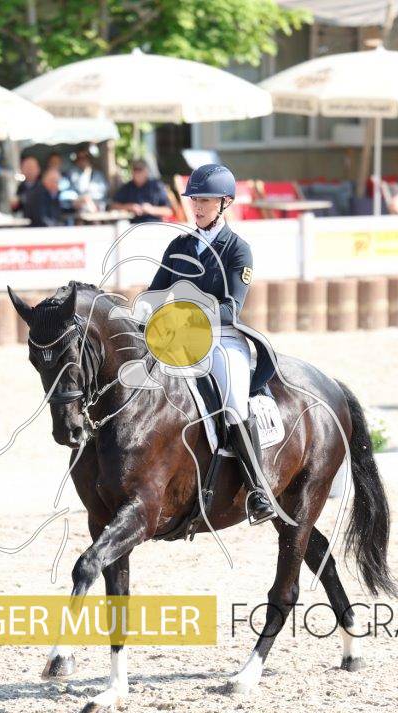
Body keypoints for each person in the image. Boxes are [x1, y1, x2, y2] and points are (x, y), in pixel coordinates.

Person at [147, 164, 278, 525]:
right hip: (180, 340)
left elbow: (230, 308)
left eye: (205, 200)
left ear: (225, 203)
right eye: (194, 199)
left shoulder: (238, 250)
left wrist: (186, 311)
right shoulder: (179, 246)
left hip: (222, 340)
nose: (197, 206)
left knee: (233, 405)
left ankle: (257, 491)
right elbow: (155, 293)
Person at [59, 144, 110, 214]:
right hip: (78, 205)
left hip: (97, 204)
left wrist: (89, 199)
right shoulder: (72, 173)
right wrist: (83, 199)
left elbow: (103, 192)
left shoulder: (98, 175)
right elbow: (66, 193)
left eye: (85, 157)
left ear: (89, 159)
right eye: (79, 158)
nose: (82, 160)